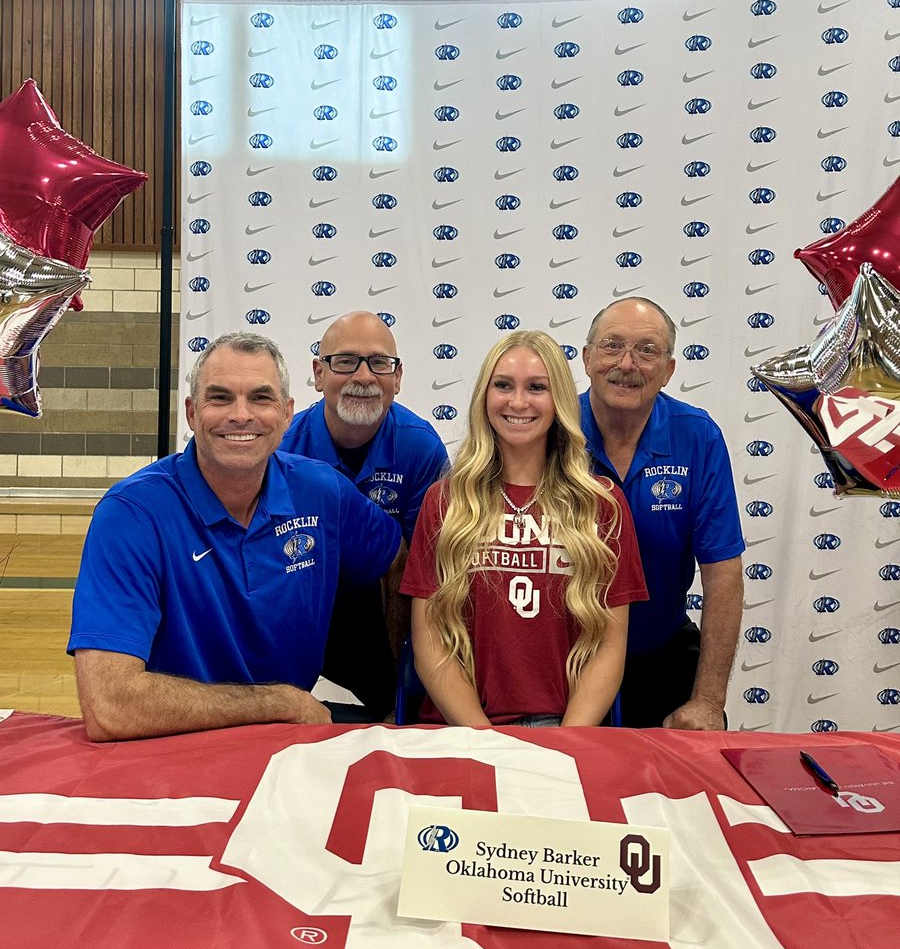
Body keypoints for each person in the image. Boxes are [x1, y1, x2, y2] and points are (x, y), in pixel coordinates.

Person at [69, 332, 401, 742]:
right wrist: (279, 704)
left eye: (261, 398)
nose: (241, 415)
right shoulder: (132, 515)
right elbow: (111, 707)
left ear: (286, 414)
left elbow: (400, 563)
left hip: (289, 739)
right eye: (220, 398)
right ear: (192, 413)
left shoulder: (323, 492)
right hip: (171, 744)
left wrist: (399, 695)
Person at [401, 329, 647, 727]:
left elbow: (608, 647)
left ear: (560, 402)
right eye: (503, 386)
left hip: (563, 727)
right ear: (485, 396)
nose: (518, 402)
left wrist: (566, 744)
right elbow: (431, 642)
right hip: (461, 729)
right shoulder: (445, 502)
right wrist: (483, 738)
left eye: (537, 387)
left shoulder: (603, 505)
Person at [579, 297, 745, 731]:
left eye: (647, 350)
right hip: (562, 659)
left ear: (669, 370)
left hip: (659, 651)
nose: (627, 364)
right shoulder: (551, 428)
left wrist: (708, 700)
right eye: (612, 346)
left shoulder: (697, 435)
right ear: (587, 358)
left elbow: (723, 571)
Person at [280, 310, 448, 720]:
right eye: (345, 361)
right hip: (303, 600)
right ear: (319, 374)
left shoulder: (420, 448)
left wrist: (404, 693)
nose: (364, 376)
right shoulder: (283, 447)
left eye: (379, 363)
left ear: (398, 376)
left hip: (384, 612)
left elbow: (425, 579)